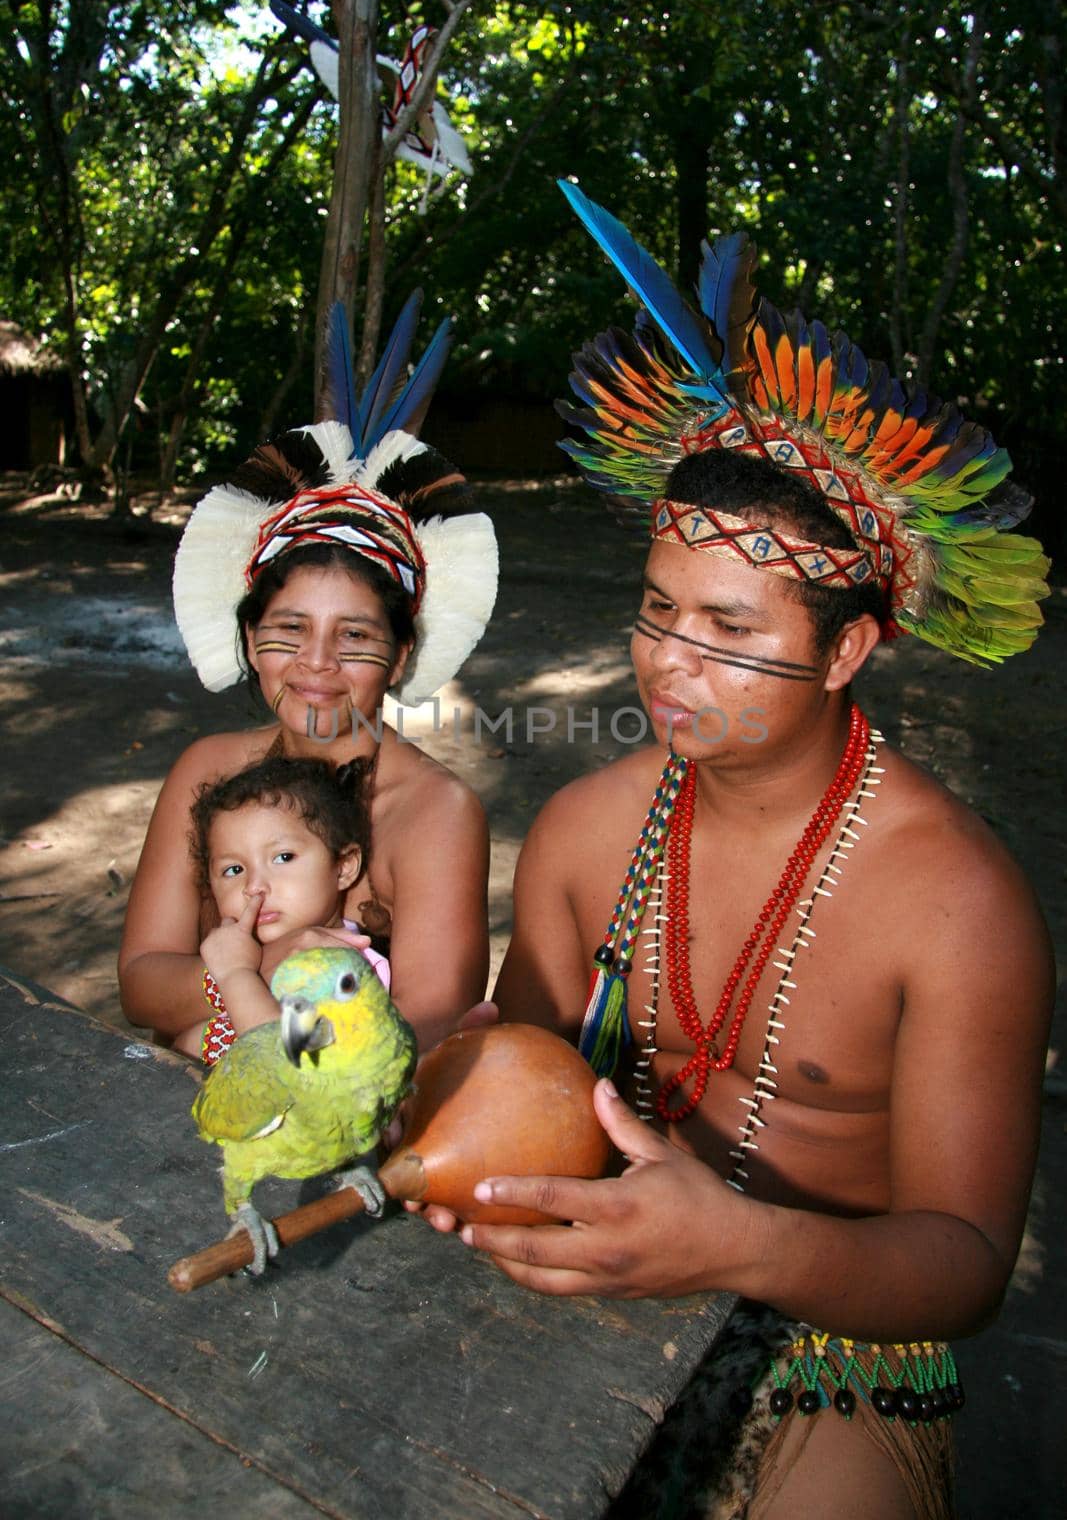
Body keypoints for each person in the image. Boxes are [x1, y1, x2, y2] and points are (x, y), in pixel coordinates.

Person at [452, 188, 1054, 1518]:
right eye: (656, 611)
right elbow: (521, 1080)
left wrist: (737, 1244)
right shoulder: (578, 837)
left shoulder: (956, 906)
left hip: (838, 1337)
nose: (669, 663)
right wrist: (449, 1114)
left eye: (727, 628)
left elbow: (958, 1260)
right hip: (597, 1257)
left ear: (843, 650)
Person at [119, 298, 498, 1059]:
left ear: (398, 655)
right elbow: (138, 984)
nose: (316, 666)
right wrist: (266, 967)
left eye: (353, 636)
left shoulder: (435, 815)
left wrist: (222, 996)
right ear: (250, 639)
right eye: (288, 631)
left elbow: (422, 1031)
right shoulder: (207, 769)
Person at [185, 755, 391, 1062]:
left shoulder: (342, 967)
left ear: (344, 867)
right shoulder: (245, 953)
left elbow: (292, 1065)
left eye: (283, 858)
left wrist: (235, 975)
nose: (254, 886)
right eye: (233, 870)